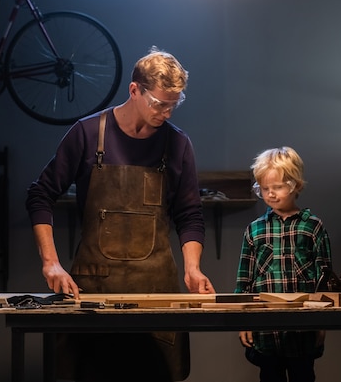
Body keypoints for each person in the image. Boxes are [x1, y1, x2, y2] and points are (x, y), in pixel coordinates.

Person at [26, 46, 215, 382]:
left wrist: (193, 268)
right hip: (93, 291)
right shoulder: (86, 134)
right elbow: (40, 194)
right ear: (134, 90)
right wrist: (50, 262)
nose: (167, 113)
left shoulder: (178, 144)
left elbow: (189, 214)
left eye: (174, 104)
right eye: (159, 103)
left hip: (155, 292)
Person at [235, 146, 332, 382]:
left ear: (295, 185)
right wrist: (244, 320)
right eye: (265, 189)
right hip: (266, 329)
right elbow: (244, 282)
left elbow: (326, 281)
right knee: (269, 376)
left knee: (303, 376)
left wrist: (323, 324)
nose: (271, 194)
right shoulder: (254, 229)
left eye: (277, 187)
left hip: (303, 330)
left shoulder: (313, 227)